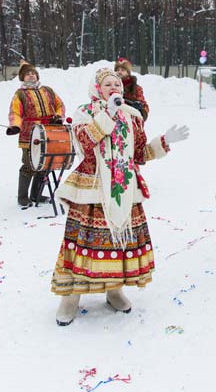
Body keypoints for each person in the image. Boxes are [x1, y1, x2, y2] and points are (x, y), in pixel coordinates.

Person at [50, 67, 189, 326]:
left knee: (118, 245)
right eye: (108, 84)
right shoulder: (86, 112)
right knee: (85, 244)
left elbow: (139, 155)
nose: (114, 87)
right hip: (93, 189)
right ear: (97, 89)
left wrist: (164, 142)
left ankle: (114, 290)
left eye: (117, 83)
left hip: (124, 189)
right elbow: (86, 145)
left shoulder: (132, 115)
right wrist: (108, 115)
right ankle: (71, 296)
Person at [6, 61, 66, 208]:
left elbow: (60, 105)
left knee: (46, 164)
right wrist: (15, 125)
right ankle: (23, 197)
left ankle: (36, 194)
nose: (31, 75)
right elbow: (15, 111)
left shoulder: (48, 90)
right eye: (27, 74)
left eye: (33, 72)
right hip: (29, 133)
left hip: (49, 131)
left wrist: (58, 116)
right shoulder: (20, 94)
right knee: (29, 164)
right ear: (22, 78)